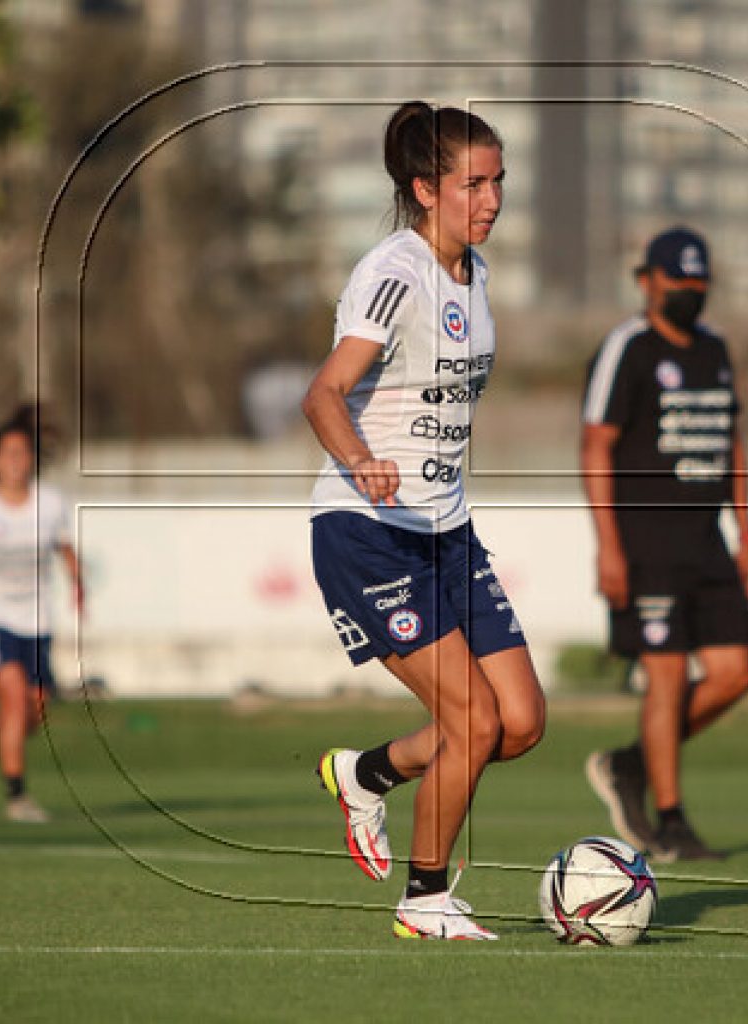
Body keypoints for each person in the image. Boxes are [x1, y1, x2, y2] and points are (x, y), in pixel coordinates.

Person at [303, 102, 545, 940]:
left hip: (446, 532)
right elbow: (324, 393)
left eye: (497, 181)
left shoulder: (476, 277)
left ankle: (365, 773)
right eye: (472, 184)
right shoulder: (394, 272)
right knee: (471, 722)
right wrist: (362, 462)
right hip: (367, 531)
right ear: (423, 189)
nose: (491, 199)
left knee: (517, 724)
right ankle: (425, 899)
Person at [581, 226, 748, 861]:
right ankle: (672, 820)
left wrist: (747, 537)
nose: (688, 292)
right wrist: (608, 547)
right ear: (647, 281)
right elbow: (596, 442)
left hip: (708, 542)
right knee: (665, 676)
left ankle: (631, 763)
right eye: (677, 281)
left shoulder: (714, 349)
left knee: (735, 673)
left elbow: (731, 443)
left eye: (697, 282)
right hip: (645, 541)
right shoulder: (627, 348)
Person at [0, 405, 83, 822]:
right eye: (8, 453)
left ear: (32, 459)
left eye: (22, 453)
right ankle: (17, 797)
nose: (15, 461)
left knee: (33, 714)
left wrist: (78, 585)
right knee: (13, 695)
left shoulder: (50, 504)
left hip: (36, 621)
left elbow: (65, 547)